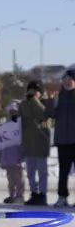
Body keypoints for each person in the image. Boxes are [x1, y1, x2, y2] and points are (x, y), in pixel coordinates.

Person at [45, 67, 75, 208]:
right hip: (63, 140)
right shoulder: (59, 96)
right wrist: (51, 100)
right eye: (65, 81)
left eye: (70, 81)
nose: (67, 83)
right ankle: (62, 197)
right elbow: (50, 114)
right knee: (63, 171)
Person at [19, 81, 50, 206]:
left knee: (42, 172)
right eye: (30, 90)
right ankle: (34, 193)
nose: (32, 93)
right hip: (28, 143)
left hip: (41, 143)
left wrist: (35, 101)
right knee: (30, 172)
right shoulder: (23, 104)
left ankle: (42, 195)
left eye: (35, 91)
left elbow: (44, 114)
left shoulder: (45, 103)